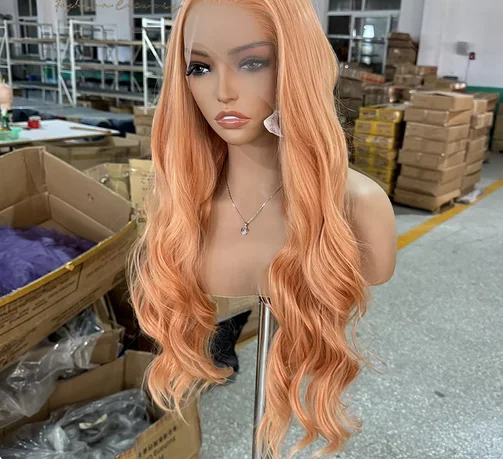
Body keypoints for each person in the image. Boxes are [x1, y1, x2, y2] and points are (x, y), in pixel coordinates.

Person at [128, 0, 397, 457]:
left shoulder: (359, 207)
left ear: (297, 65)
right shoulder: (182, 214)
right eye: (200, 67)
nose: (224, 92)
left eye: (252, 62)